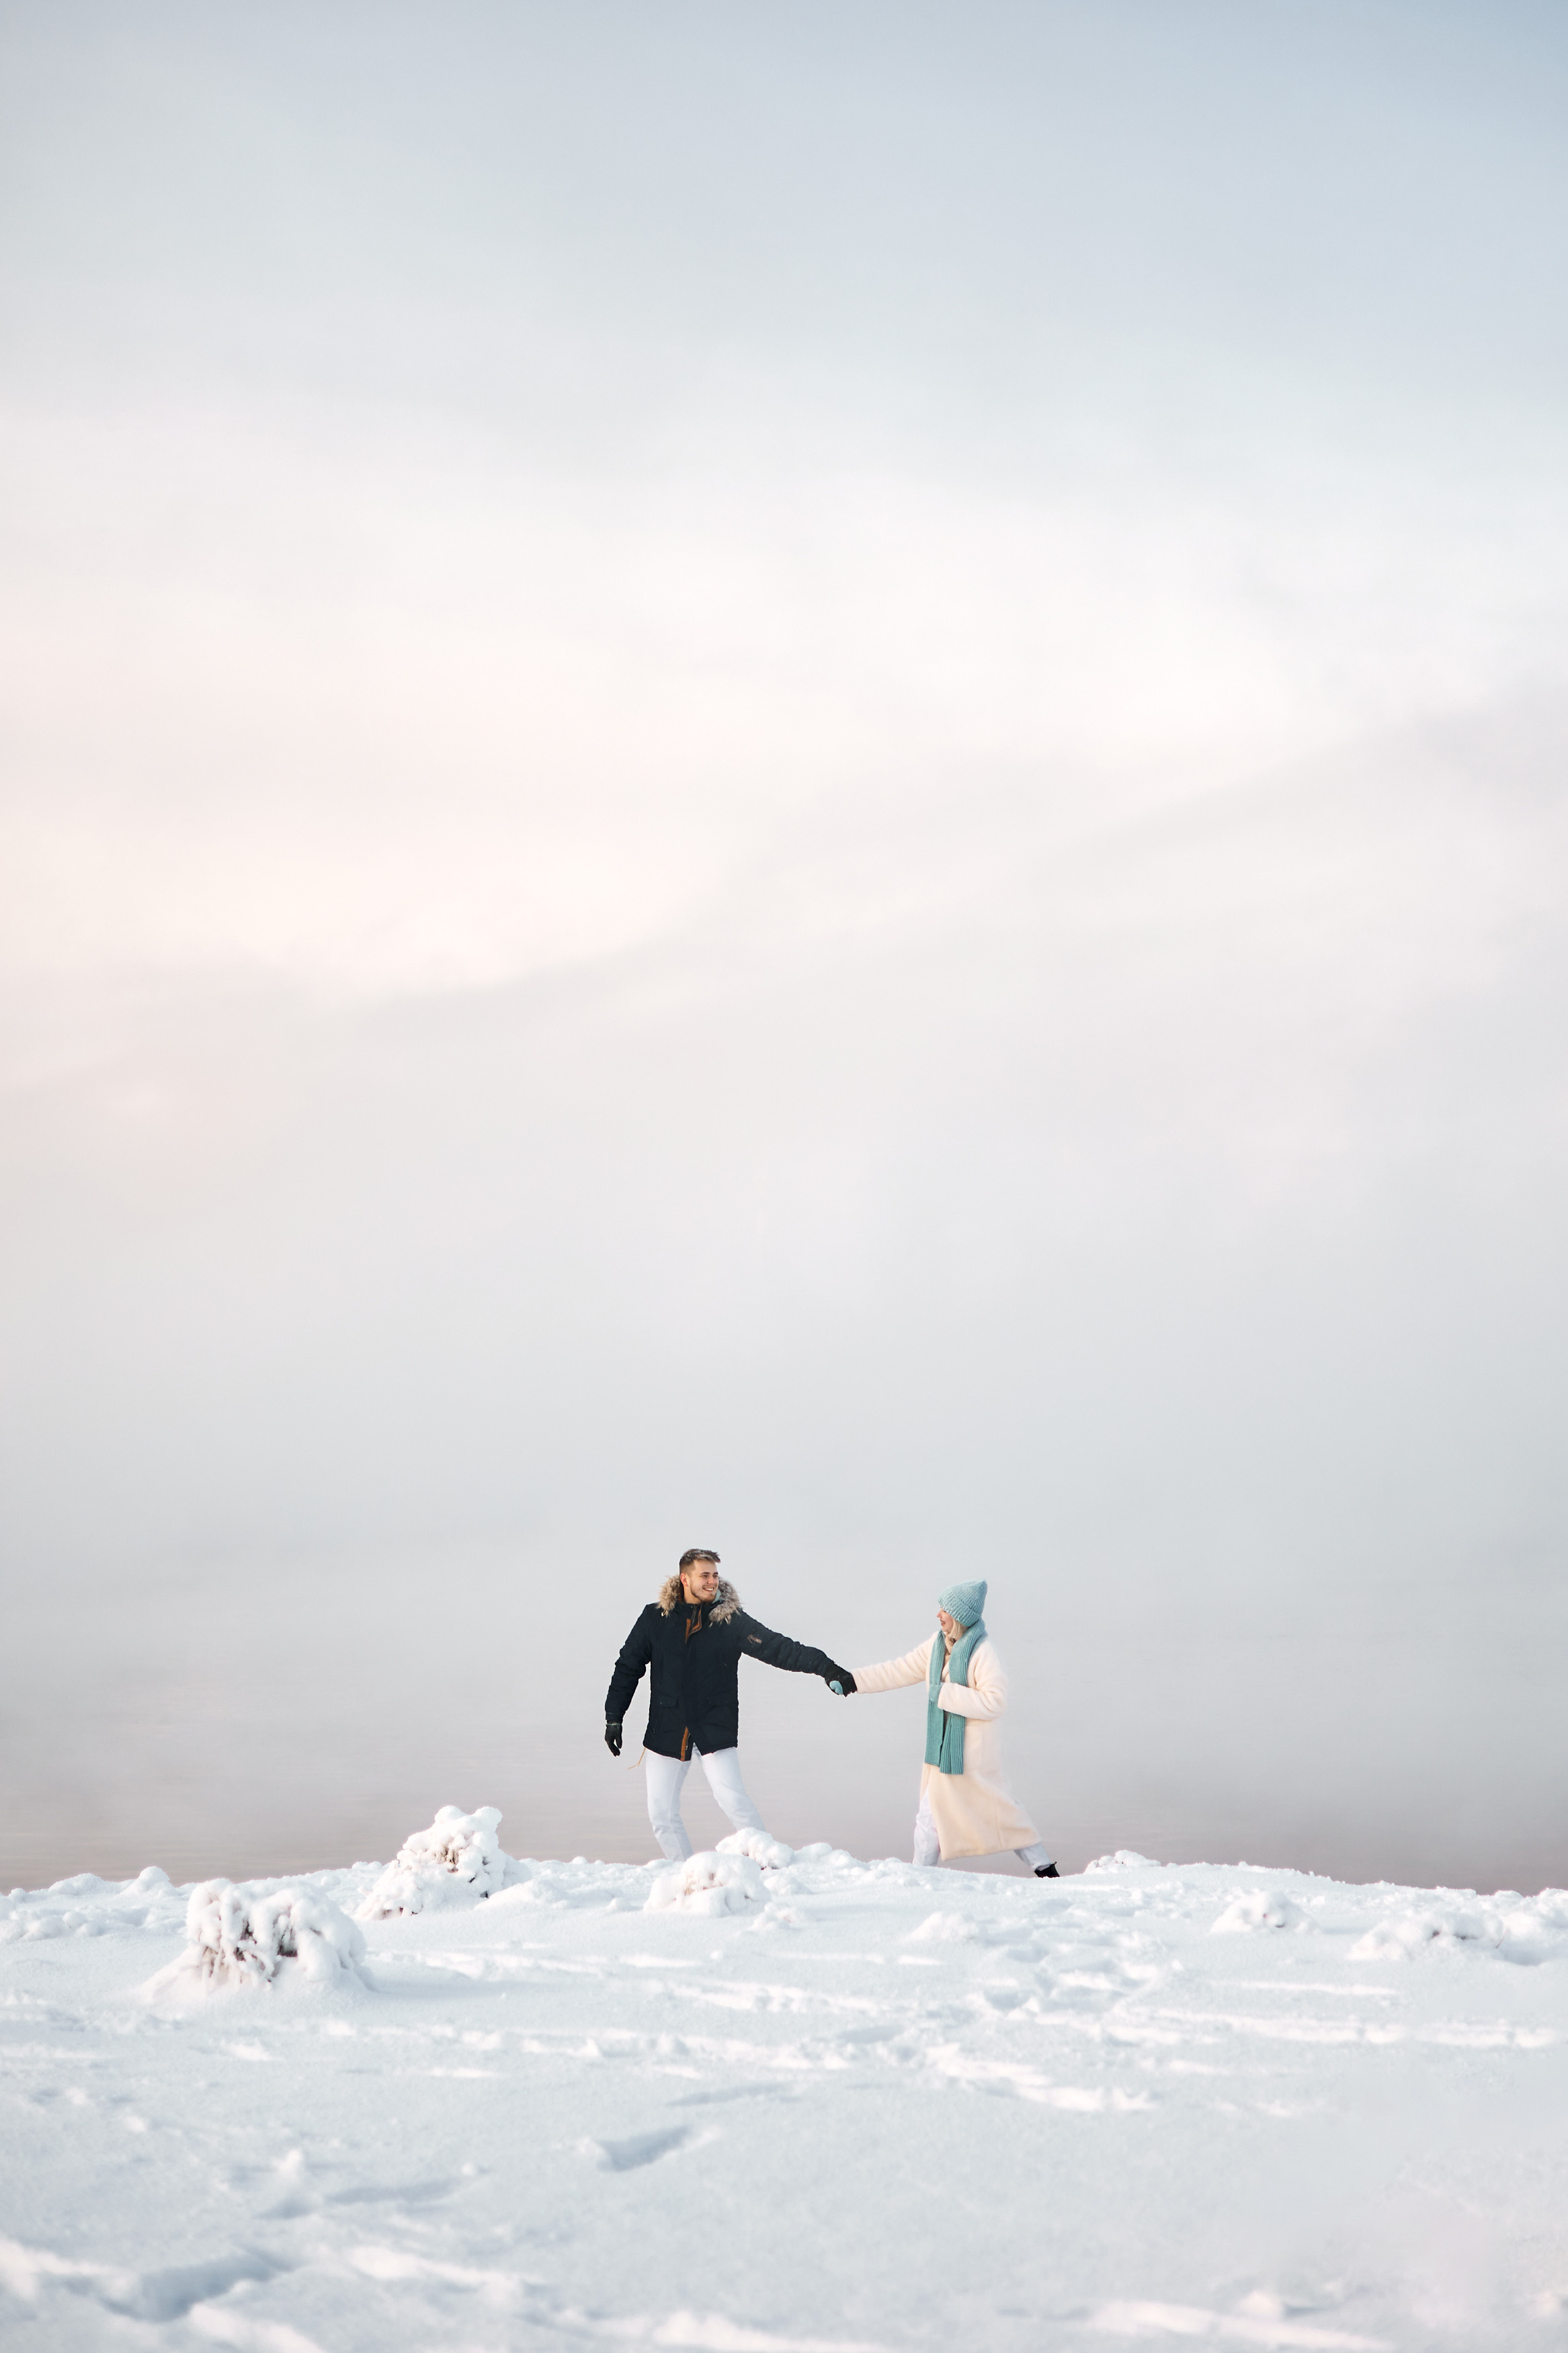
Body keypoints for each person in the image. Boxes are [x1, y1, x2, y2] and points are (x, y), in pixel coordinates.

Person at [605, 1548, 856, 1862]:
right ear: (685, 1579)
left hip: (713, 1727)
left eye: (715, 1575)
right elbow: (628, 1667)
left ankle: (769, 1864)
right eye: (704, 1576)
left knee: (734, 1801)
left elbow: (780, 1649)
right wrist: (614, 1717)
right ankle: (685, 1873)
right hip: (666, 1728)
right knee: (661, 1815)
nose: (712, 1582)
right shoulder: (656, 1618)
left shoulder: (729, 1621)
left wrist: (826, 1667)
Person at [848, 1578, 1058, 1876]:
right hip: (945, 1750)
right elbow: (898, 1669)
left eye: (944, 1609)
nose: (938, 1615)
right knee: (946, 1816)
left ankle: (920, 1877)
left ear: (960, 1615)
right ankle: (1044, 1870)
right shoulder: (937, 1646)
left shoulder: (984, 1652)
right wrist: (853, 1681)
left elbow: (996, 1702)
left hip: (971, 1755)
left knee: (1000, 1813)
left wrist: (944, 1694)